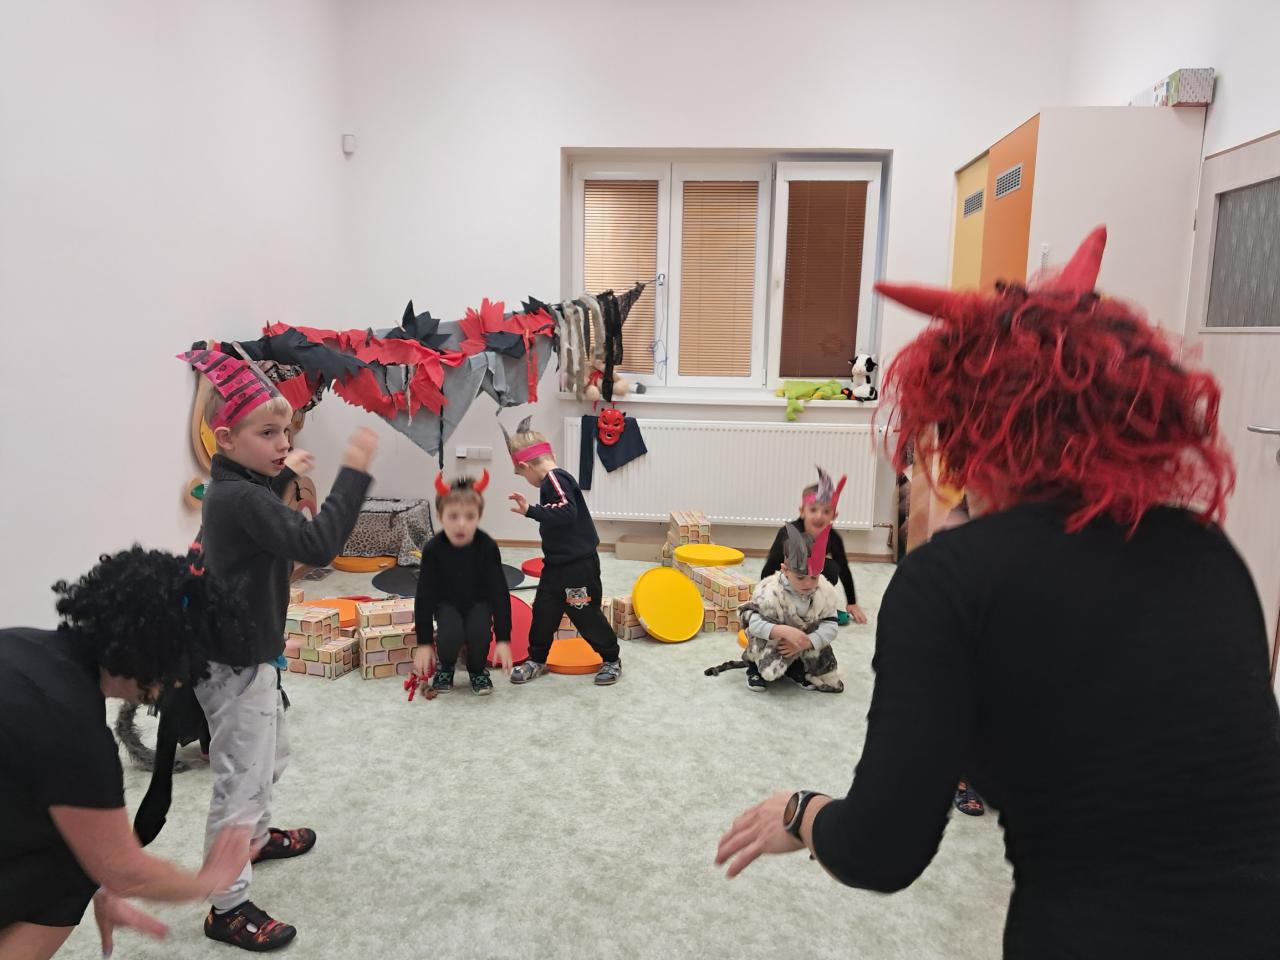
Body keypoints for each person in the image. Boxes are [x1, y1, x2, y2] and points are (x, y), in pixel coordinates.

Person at [714, 227, 1280, 959]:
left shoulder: (950, 582)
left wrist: (800, 811)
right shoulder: (1207, 551)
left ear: (967, 422)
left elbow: (882, 848)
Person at [179, 347, 377, 951]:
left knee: (270, 758)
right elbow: (316, 544)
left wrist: (284, 468)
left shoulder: (237, 486)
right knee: (240, 782)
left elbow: (266, 504)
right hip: (235, 663)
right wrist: (353, 474)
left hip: (251, 653)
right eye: (267, 433)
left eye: (285, 432)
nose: (282, 442)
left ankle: (257, 841)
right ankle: (226, 907)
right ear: (225, 439)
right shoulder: (241, 498)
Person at [0, 546, 254, 960]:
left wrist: (104, 879)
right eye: (185, 668)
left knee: (74, 851)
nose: (179, 684)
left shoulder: (21, 643)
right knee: (70, 876)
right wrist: (208, 881)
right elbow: (126, 871)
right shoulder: (76, 732)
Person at [501, 416, 621, 686]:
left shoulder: (555, 478)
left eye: (522, 475)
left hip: (578, 568)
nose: (526, 480)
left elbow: (567, 511)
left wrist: (531, 511)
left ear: (525, 466)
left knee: (584, 614)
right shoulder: (553, 480)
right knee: (544, 612)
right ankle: (537, 659)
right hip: (556, 565)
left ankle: (611, 658)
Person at [412, 471, 513, 695]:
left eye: (469, 516)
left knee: (479, 632)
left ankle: (476, 669)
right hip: (446, 603)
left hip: (478, 602)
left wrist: (504, 639)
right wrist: (424, 642)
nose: (461, 524)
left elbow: (499, 593)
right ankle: (446, 665)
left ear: (478, 517)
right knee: (450, 634)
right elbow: (424, 597)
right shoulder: (433, 549)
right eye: (453, 516)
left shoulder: (487, 546)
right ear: (440, 516)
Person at [740, 525, 843, 693]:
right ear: (785, 570)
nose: (808, 583)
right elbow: (754, 625)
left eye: (814, 577)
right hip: (772, 638)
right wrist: (782, 631)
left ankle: (796, 668)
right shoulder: (770, 591)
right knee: (760, 638)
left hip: (801, 642)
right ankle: (755, 668)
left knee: (818, 636)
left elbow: (831, 626)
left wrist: (805, 643)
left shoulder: (824, 592)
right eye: (801, 577)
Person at [761, 467, 867, 624]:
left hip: (811, 585)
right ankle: (793, 606)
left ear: (834, 515)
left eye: (826, 512)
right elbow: (770, 566)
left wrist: (852, 602)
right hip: (787, 583)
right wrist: (766, 596)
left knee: (831, 568)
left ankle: (812, 606)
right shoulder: (788, 533)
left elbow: (844, 569)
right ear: (802, 511)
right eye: (813, 509)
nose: (819, 516)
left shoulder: (833, 538)